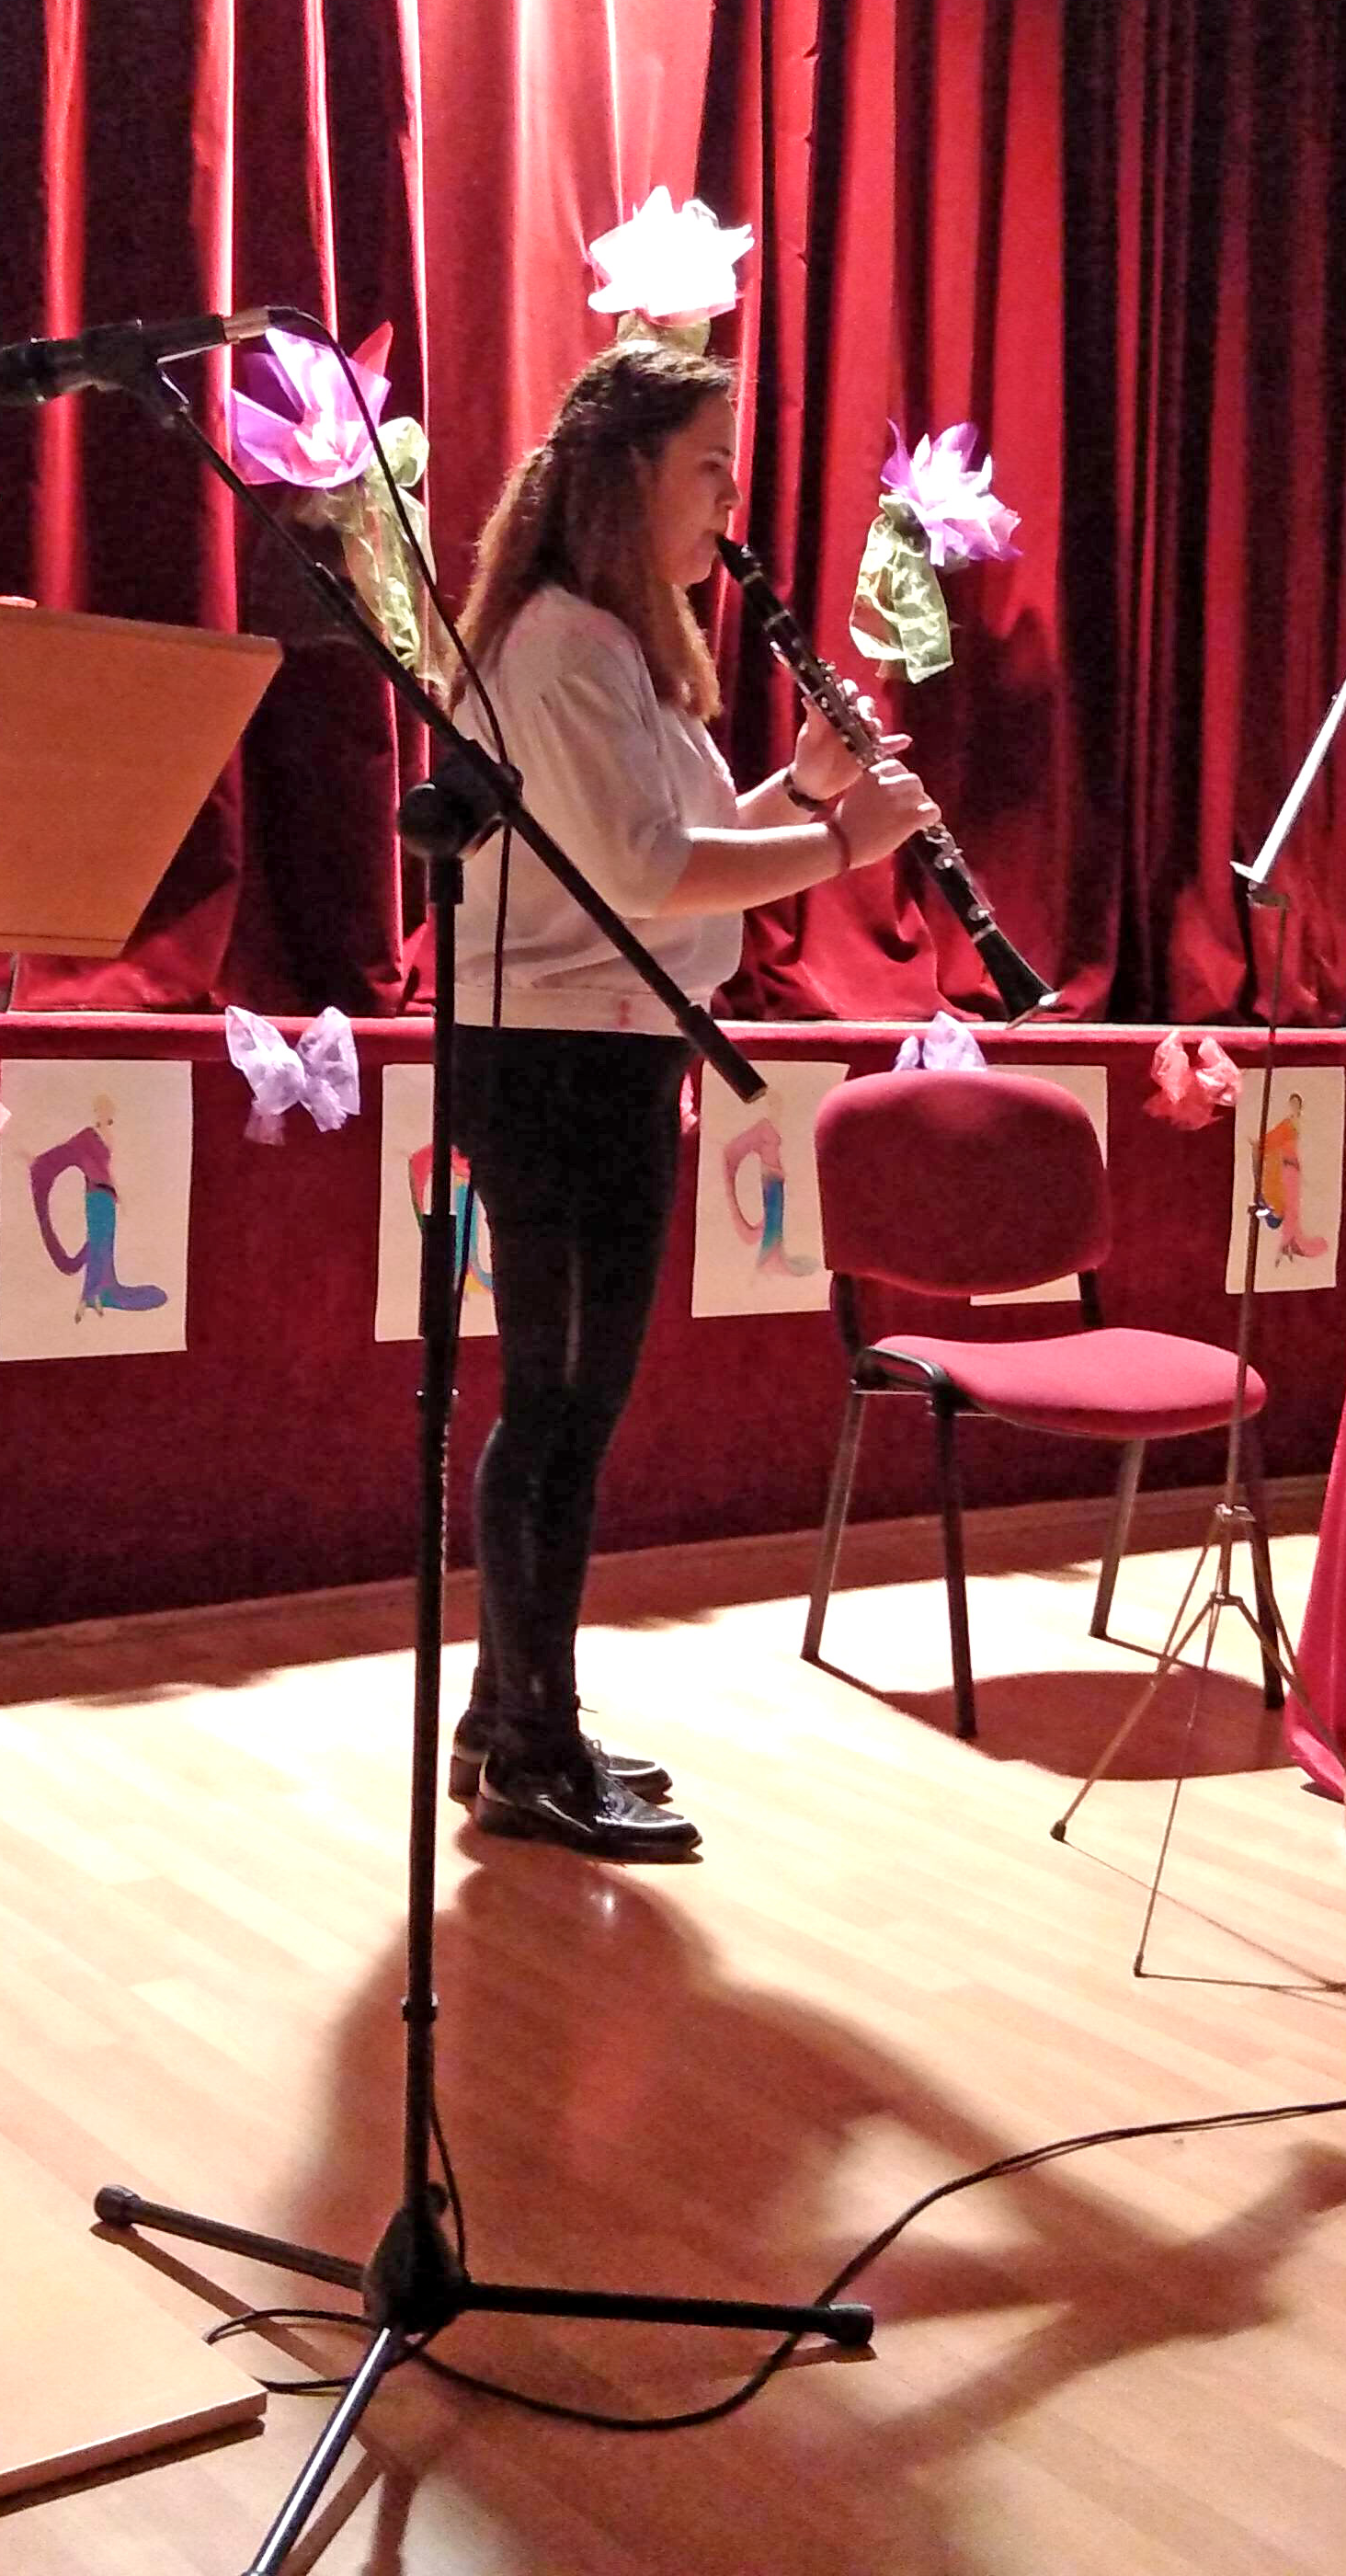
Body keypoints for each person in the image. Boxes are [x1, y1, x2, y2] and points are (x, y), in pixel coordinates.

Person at [441, 340, 936, 1859]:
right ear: (629, 473)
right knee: (557, 1408)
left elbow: (683, 847)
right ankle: (531, 1748)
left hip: (608, 1048)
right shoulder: (562, 646)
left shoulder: (614, 649)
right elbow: (650, 874)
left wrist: (806, 789)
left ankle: (511, 1713)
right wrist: (845, 847)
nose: (731, 496)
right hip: (555, 1059)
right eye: (710, 465)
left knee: (571, 1406)